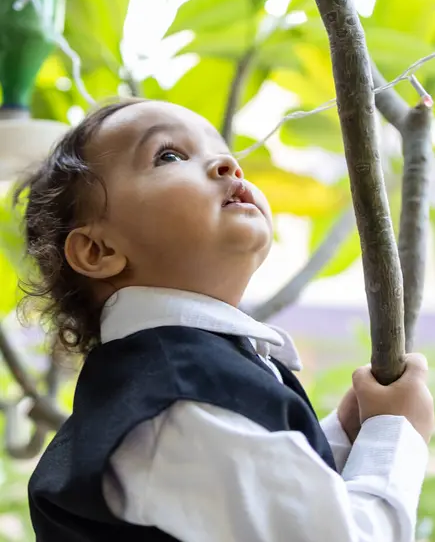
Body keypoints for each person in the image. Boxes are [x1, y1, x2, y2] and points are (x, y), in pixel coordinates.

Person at [17, 98, 433, 542]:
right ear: (98, 251)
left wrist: (343, 438)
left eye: (221, 149)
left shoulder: (177, 385)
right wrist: (397, 434)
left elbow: (261, 494)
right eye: (170, 155)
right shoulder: (181, 403)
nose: (227, 163)